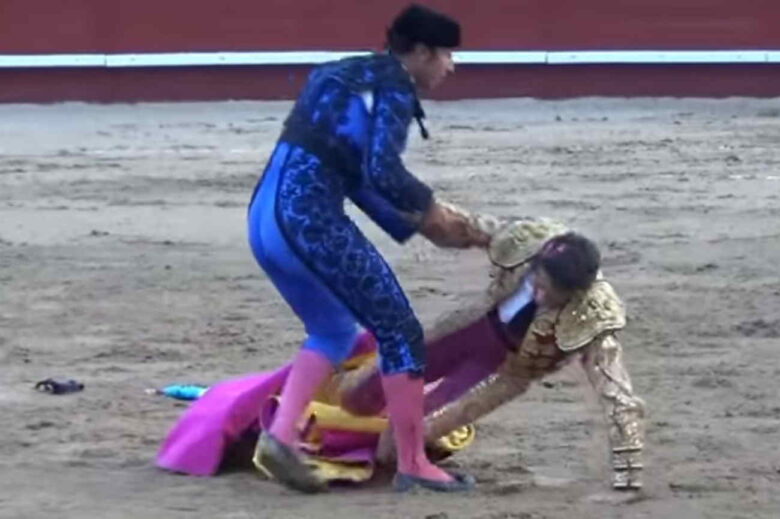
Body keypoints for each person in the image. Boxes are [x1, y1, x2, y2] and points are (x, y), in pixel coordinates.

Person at [247, 4, 490, 493]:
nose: (451, 65)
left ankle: (282, 437)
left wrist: (416, 224)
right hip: (309, 221)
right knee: (401, 332)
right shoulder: (395, 85)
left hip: (263, 219)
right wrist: (431, 211)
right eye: (446, 54)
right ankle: (413, 462)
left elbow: (357, 175)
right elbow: (382, 172)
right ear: (420, 52)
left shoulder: (337, 72)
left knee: (333, 329)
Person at [340, 221, 647, 491]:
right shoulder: (531, 241)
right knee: (356, 393)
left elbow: (617, 393)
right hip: (469, 328)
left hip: (500, 369)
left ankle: (398, 462)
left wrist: (628, 472)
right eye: (538, 279)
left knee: (404, 439)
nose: (540, 292)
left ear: (575, 293)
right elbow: (463, 225)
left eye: (551, 291)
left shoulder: (593, 315)